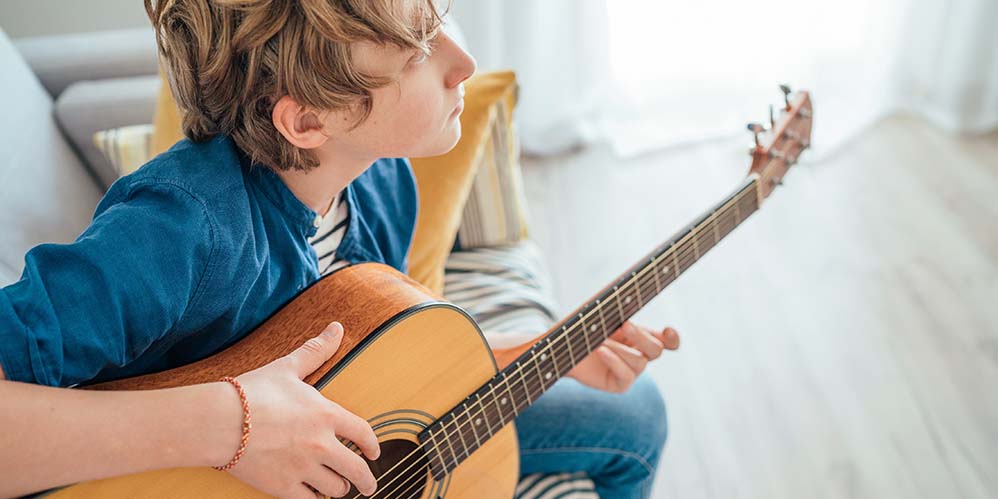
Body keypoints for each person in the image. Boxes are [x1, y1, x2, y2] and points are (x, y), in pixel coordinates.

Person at [0, 1, 679, 498]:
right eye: (418, 47)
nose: (465, 62)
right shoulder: (178, 227)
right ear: (307, 119)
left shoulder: (384, 180)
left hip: (336, 455)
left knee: (635, 411)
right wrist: (230, 426)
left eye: (438, 12)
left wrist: (547, 349)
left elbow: (388, 363)